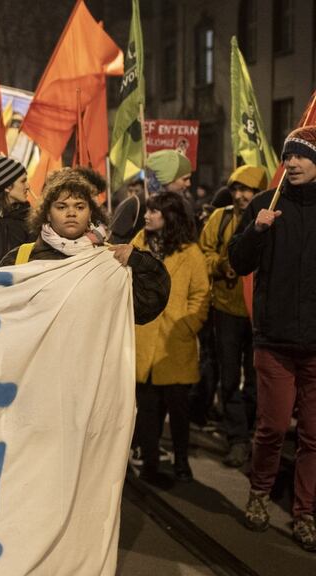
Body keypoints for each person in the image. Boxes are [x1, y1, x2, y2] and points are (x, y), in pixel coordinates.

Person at [229, 126, 316, 551]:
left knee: (314, 436)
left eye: (302, 156)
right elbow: (238, 263)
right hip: (275, 342)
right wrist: (256, 231)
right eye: (289, 156)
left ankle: (305, 512)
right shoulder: (266, 204)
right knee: (273, 428)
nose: (293, 163)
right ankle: (260, 494)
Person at [0, 168, 170, 326]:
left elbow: (148, 306)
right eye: (61, 206)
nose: (71, 213)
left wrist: (140, 261)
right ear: (48, 214)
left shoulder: (110, 260)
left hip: (89, 359)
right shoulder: (21, 258)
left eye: (79, 206)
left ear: (90, 213)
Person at [130, 191, 210, 486]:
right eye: (148, 210)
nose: (147, 215)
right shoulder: (136, 246)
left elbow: (200, 295)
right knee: (147, 409)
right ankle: (150, 462)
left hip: (175, 342)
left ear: (170, 217)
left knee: (178, 410)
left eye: (154, 211)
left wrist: (188, 326)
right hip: (143, 338)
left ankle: (181, 460)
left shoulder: (190, 253)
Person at [199, 166, 267, 468]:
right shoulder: (220, 217)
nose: (240, 196)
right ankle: (237, 438)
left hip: (260, 315)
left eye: (247, 190)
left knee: (256, 380)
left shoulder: (271, 216)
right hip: (226, 310)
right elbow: (203, 253)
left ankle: (251, 431)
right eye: (236, 189)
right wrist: (221, 265)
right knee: (228, 378)